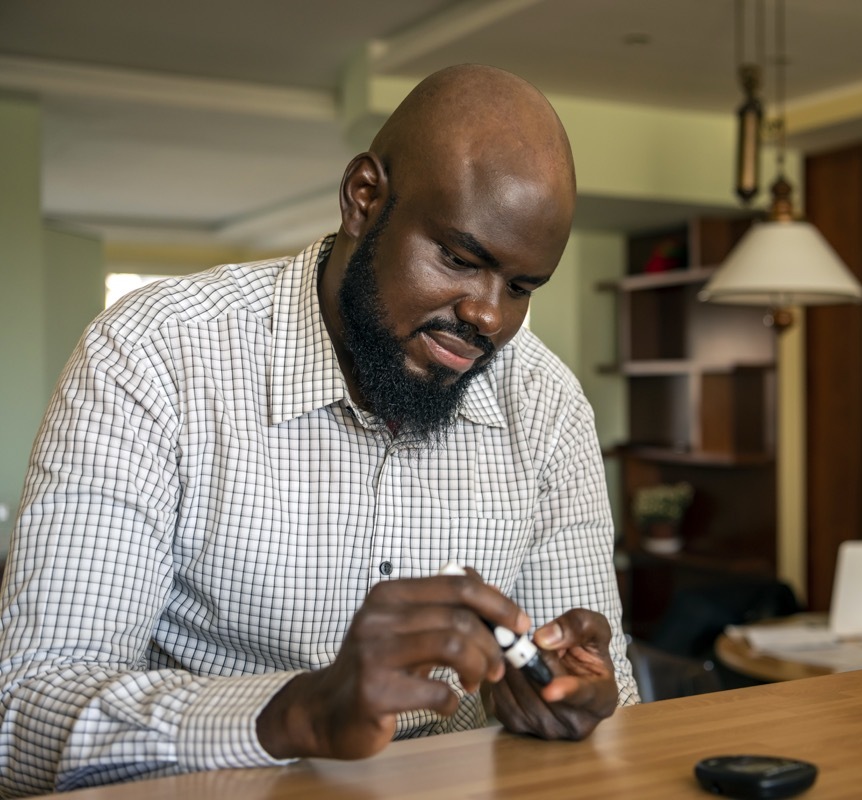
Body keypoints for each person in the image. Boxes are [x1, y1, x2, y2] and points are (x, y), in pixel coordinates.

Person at [0, 64, 639, 796]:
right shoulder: (155, 356)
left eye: (522, 287)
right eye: (460, 259)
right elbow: (22, 713)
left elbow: (610, 695)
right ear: (364, 198)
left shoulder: (549, 407)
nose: (489, 318)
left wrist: (570, 699)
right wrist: (296, 714)